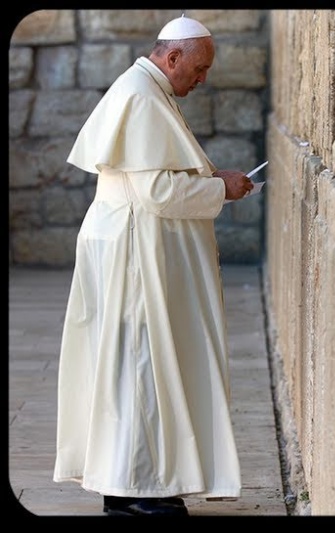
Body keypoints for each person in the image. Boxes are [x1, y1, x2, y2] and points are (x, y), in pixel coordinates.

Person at [53, 15, 253, 516]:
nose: (202, 78)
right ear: (173, 57)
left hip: (128, 248)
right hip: (134, 258)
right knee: (142, 367)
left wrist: (213, 180)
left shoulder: (145, 88)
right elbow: (157, 191)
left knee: (128, 367)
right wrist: (220, 189)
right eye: (199, 68)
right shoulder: (142, 95)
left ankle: (126, 488)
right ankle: (142, 492)